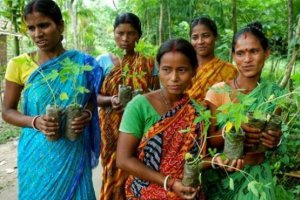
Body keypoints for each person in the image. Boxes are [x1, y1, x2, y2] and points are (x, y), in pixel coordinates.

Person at [1, 0, 102, 199]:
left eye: (44, 25)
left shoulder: (82, 64)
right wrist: (35, 121)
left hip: (73, 149)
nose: (37, 34)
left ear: (60, 25)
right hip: (37, 152)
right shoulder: (19, 64)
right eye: (31, 28)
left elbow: (91, 99)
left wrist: (87, 113)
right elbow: (7, 112)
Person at [202, 22, 284, 199]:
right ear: (233, 56)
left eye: (254, 51)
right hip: (222, 177)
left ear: (266, 53)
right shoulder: (218, 91)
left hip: (258, 178)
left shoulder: (275, 95)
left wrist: (275, 141)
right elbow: (208, 141)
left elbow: (273, 138)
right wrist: (230, 130)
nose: (247, 60)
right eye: (240, 53)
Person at [116, 38, 203, 200]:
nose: (174, 78)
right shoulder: (139, 106)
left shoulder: (197, 111)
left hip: (186, 193)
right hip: (144, 192)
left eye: (182, 70)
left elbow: (199, 157)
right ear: (158, 69)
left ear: (194, 70)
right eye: (167, 70)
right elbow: (123, 160)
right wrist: (169, 183)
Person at [97, 12, 158, 200]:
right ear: (114, 34)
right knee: (113, 166)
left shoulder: (148, 63)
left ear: (138, 35)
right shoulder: (103, 62)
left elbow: (156, 94)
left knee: (138, 165)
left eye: (130, 33)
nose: (125, 38)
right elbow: (94, 97)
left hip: (140, 127)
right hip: (110, 128)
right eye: (120, 33)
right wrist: (110, 100)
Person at [187, 16, 238, 103]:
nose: (200, 41)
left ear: (215, 38)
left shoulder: (229, 71)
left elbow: (233, 104)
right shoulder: (183, 68)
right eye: (195, 37)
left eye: (205, 36)